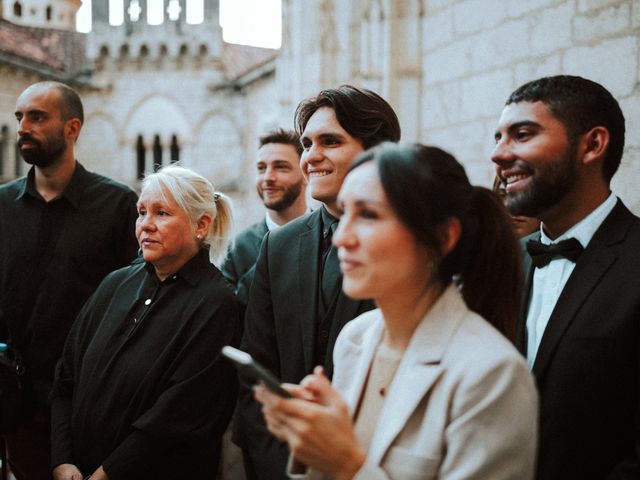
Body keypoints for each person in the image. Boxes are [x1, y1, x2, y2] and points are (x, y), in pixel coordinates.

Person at [255, 143, 538, 479]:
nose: (342, 237)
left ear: (443, 237)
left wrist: (346, 464)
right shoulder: (356, 339)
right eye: (345, 214)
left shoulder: (491, 374)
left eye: (369, 215)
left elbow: (348, 464)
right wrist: (310, 441)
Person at [235, 85, 401, 480]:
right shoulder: (278, 246)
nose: (311, 157)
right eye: (307, 144)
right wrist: (286, 470)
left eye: (330, 141)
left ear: (376, 152)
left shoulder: (407, 245)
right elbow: (256, 375)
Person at [491, 75, 640, 480]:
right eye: (498, 137)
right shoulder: (503, 262)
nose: (499, 155)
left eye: (522, 135)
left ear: (592, 145)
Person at [50, 165, 239, 480]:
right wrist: (62, 460)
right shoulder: (115, 283)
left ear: (201, 225)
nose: (146, 225)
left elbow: (178, 417)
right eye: (141, 212)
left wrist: (107, 473)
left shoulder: (217, 304)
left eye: (162, 213)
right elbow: (66, 376)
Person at [0, 81, 138, 479]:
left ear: (73, 128)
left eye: (37, 117)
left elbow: (132, 303)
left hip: (87, 406)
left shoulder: (117, 206)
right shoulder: (2, 206)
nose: (23, 126)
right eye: (19, 117)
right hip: (15, 404)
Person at [222, 128, 308, 309]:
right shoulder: (238, 248)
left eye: (281, 167)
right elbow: (230, 315)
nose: (268, 177)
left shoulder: (330, 235)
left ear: (305, 174)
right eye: (262, 168)